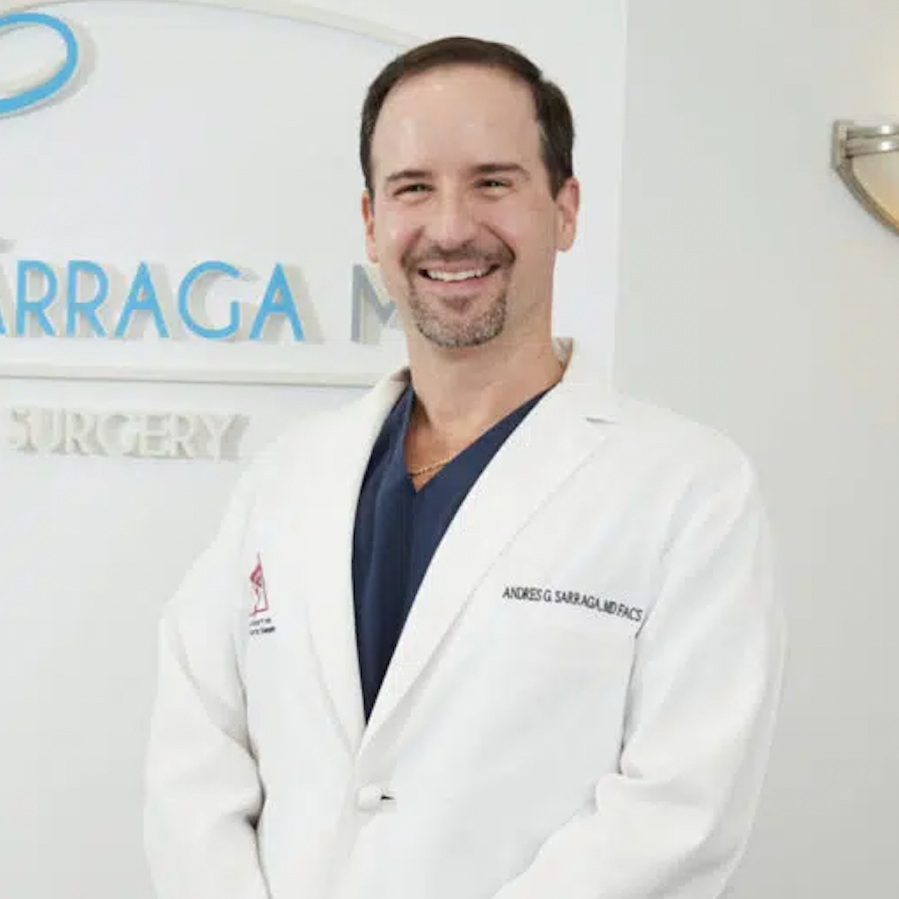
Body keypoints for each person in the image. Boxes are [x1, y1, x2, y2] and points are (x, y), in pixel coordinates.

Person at [144, 36, 785, 899]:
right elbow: (197, 753)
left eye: (493, 181)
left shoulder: (689, 489)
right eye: (413, 187)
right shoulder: (286, 479)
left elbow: (677, 814)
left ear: (564, 207)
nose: (449, 227)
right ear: (371, 222)